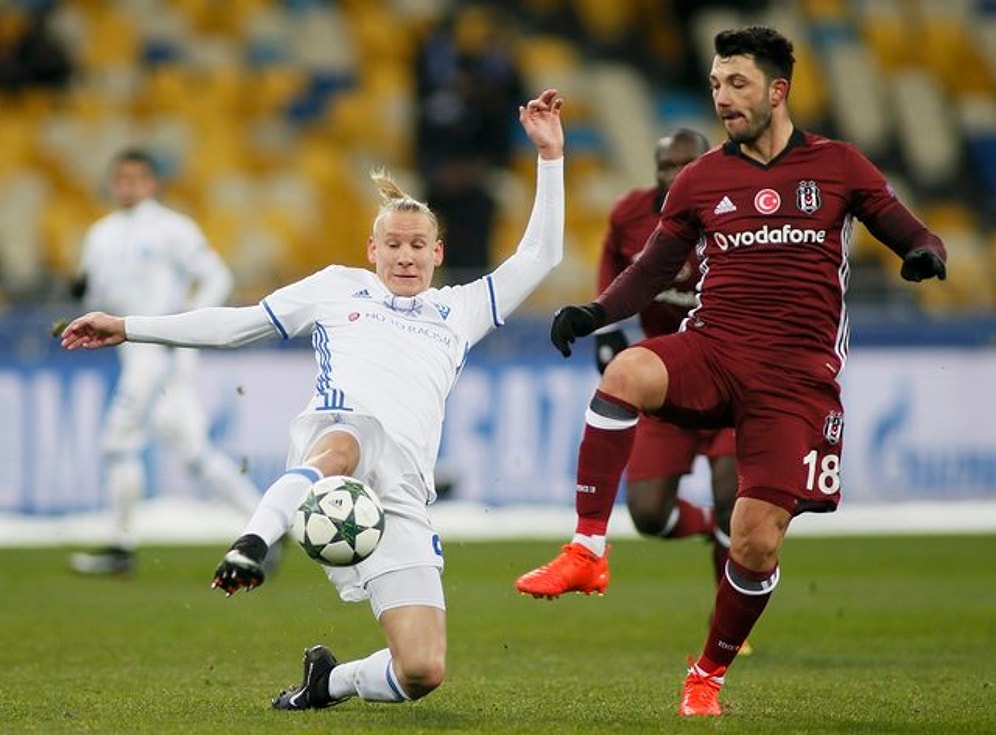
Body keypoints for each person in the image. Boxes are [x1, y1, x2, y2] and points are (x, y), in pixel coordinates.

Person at [61, 89, 565, 710]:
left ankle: (332, 680)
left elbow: (542, 255)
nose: (405, 256)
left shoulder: (461, 309)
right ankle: (254, 540)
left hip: (402, 493)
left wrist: (549, 157)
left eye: (418, 246)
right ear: (371, 249)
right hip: (335, 444)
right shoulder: (335, 288)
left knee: (421, 672)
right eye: (394, 244)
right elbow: (238, 323)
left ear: (437, 253)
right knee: (349, 440)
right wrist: (131, 325)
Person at [516, 26, 947, 717]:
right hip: (715, 346)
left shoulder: (838, 165)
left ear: (778, 90)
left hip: (796, 380)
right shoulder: (701, 177)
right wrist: (593, 312)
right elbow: (651, 271)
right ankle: (586, 547)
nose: (723, 97)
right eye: (716, 84)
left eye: (737, 83)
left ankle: (708, 673)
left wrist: (925, 252)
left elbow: (908, 228)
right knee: (626, 372)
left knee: (754, 536)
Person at [515, 129, 748, 649]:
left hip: (730, 378)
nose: (676, 174)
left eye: (688, 164)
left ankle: (727, 622)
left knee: (734, 494)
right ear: (656, 167)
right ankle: (712, 526)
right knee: (648, 514)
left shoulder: (738, 213)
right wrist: (605, 332)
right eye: (668, 165)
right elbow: (615, 282)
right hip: (667, 378)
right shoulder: (631, 217)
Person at [68, 148, 263, 576]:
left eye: (136, 178)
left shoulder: (171, 228)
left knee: (118, 441)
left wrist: (187, 325)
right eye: (120, 178)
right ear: (112, 183)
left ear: (152, 183)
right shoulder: (100, 234)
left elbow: (217, 276)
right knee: (192, 450)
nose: (127, 186)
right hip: (130, 350)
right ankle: (265, 524)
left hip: (160, 350)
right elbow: (92, 296)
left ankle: (121, 546)